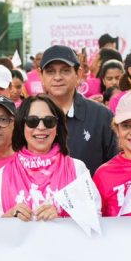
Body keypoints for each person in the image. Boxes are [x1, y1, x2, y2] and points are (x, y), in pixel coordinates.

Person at [0, 94, 100, 222]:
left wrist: (62, 217)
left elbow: (95, 217)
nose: (41, 127)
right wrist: (8, 217)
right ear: (21, 126)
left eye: (49, 121)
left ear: (57, 127)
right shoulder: (3, 175)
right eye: (32, 121)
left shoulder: (77, 168)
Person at [38, 45, 118, 177]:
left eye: (65, 71)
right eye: (50, 71)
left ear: (78, 74)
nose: (57, 77)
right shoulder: (29, 117)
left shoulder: (101, 116)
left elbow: (114, 167)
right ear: (41, 75)